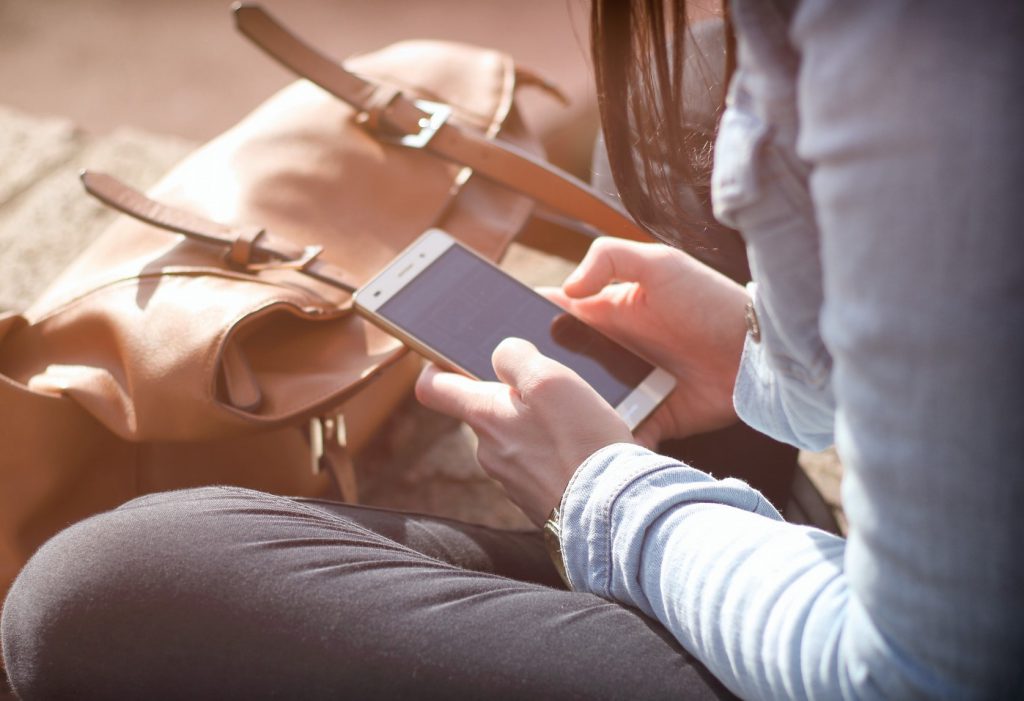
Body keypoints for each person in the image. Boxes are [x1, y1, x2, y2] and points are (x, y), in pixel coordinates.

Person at [3, 0, 1022, 698]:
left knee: (102, 593)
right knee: (685, 88)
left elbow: (915, 674)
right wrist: (765, 364)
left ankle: (709, 558)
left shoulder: (920, 75)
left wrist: (606, 495)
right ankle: (754, 534)